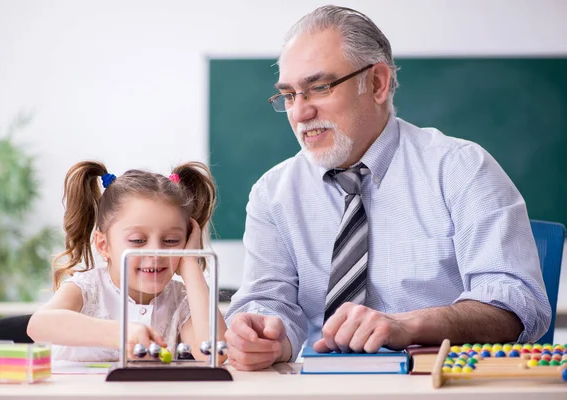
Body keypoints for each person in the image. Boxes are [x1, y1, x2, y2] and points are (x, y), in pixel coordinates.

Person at [224, 5, 551, 371]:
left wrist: (408, 325)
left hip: (437, 386)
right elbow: (269, 302)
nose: (300, 113)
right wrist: (266, 337)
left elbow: (517, 305)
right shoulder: (273, 194)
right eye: (288, 95)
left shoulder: (462, 168)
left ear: (377, 83)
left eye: (318, 88)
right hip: (316, 388)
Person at [27, 161, 227, 362]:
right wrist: (119, 333)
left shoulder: (181, 299)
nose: (155, 253)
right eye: (138, 240)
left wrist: (190, 264)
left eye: (171, 241)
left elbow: (215, 354)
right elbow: (38, 325)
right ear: (104, 245)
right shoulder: (87, 288)